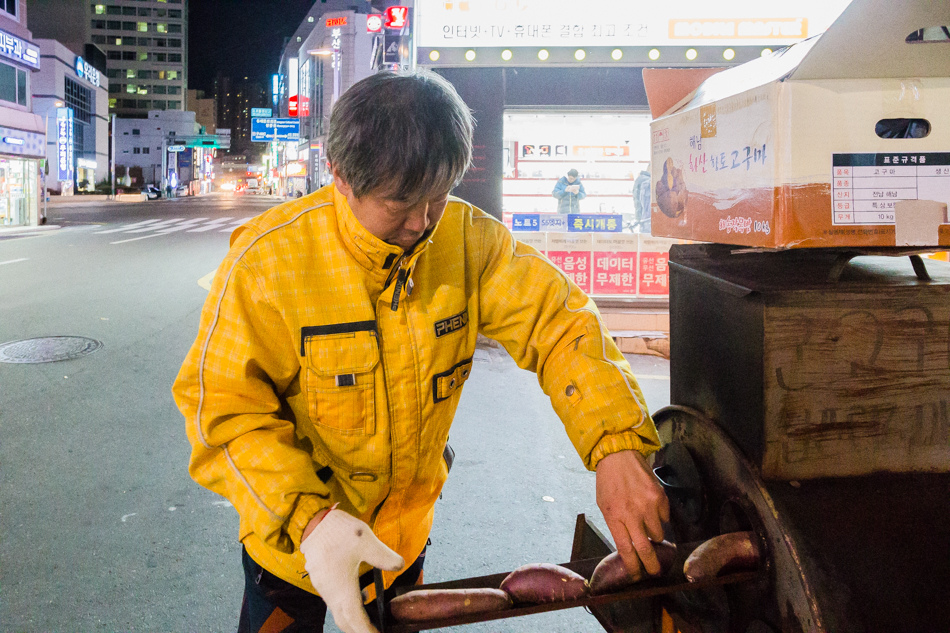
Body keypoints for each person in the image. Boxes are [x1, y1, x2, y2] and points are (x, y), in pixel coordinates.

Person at [172, 70, 668, 633]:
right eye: (399, 203)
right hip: (293, 551)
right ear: (339, 176)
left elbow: (559, 323)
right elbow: (225, 412)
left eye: (438, 197)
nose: (421, 223)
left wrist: (617, 446)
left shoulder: (466, 240)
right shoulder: (267, 263)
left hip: (400, 545)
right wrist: (310, 522)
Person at [632, 166, 652, 233]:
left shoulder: (640, 180)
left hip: (644, 221)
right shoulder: (647, 182)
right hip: (648, 221)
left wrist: (638, 219)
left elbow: (638, 204)